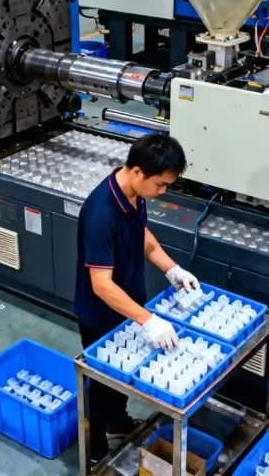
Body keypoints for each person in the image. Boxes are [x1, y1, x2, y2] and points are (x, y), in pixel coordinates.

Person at [74, 133, 201, 463]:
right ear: (137, 172)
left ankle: (117, 423)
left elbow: (141, 233)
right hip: (101, 313)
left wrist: (171, 269)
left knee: (123, 376)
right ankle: (95, 448)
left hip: (129, 304)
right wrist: (150, 321)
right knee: (102, 384)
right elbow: (101, 285)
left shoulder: (134, 194)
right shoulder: (101, 214)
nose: (163, 192)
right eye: (160, 185)